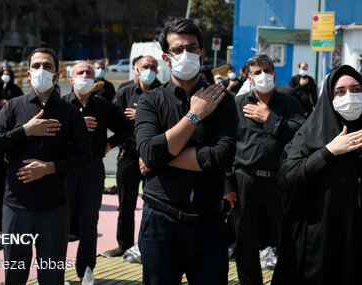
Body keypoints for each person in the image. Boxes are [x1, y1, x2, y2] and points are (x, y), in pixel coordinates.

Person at [272, 65, 362, 285]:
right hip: (318, 253)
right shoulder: (309, 135)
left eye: (356, 89)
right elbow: (287, 179)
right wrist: (328, 151)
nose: (350, 96)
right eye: (341, 91)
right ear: (329, 96)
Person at [135, 18, 238, 285]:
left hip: (210, 223)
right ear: (166, 58)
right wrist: (195, 115)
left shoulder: (222, 100)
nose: (185, 55)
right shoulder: (150, 100)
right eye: (178, 50)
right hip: (161, 222)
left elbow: (220, 157)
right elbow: (148, 152)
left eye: (192, 48)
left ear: (202, 53)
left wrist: (162, 156)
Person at [0, 48, 92, 285]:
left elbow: (85, 157)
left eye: (47, 66)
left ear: (57, 73)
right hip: (16, 205)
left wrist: (50, 167)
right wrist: (25, 131)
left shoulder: (70, 113)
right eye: (36, 66)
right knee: (14, 275)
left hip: (53, 207)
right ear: (28, 70)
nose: (41, 70)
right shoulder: (13, 107)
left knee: (51, 276)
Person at [225, 54, 305, 285]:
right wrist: (228, 184)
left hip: (282, 183)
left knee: (287, 241)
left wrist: (270, 119)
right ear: (249, 78)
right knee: (246, 244)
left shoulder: (290, 103)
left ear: (274, 74)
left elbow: (301, 136)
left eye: (267, 70)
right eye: (257, 72)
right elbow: (227, 146)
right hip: (245, 182)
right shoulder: (237, 105)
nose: (263, 76)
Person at [63, 62, 129, 279]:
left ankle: (86, 272)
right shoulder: (61, 105)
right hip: (64, 170)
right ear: (71, 79)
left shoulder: (103, 106)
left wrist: (108, 145)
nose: (84, 75)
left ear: (95, 81)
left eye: (88, 73)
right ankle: (55, 272)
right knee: (59, 222)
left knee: (89, 221)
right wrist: (75, 124)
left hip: (92, 169)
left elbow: (125, 128)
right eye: (79, 72)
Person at [111, 55, 161, 257]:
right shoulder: (124, 93)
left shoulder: (164, 93)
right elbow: (114, 122)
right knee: (126, 205)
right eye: (145, 66)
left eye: (153, 67)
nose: (149, 70)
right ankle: (124, 244)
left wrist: (143, 114)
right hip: (129, 155)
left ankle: (150, 246)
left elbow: (173, 122)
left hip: (154, 156)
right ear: (136, 69)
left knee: (155, 205)